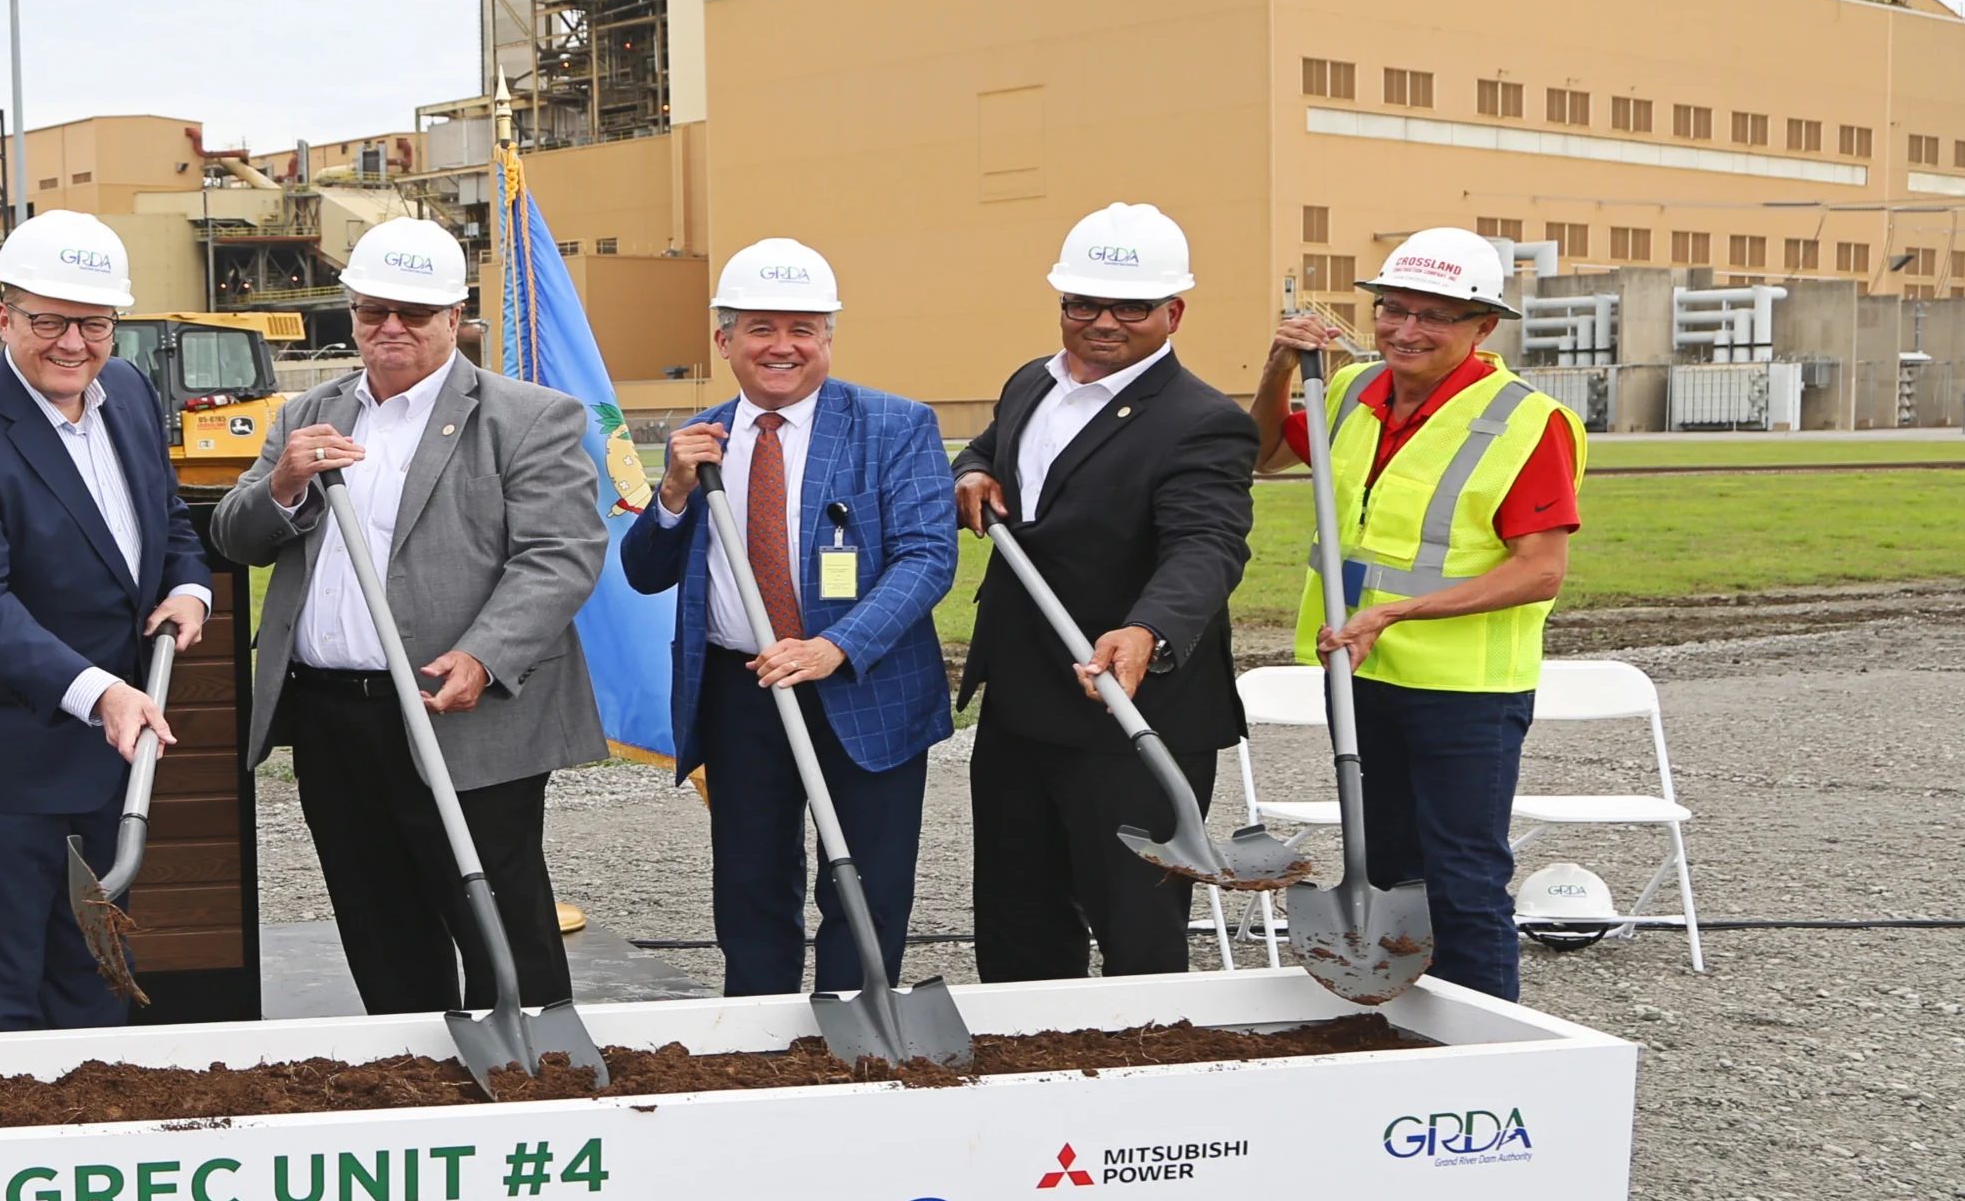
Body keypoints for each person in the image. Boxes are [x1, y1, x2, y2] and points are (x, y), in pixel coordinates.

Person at [213, 217, 608, 1014]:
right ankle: (413, 1068)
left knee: (496, 910)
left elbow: (560, 554)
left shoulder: (529, 417)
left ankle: (533, 1072)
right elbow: (233, 536)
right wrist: (283, 485)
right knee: (376, 916)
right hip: (331, 715)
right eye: (371, 312)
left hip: (457, 709)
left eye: (414, 314)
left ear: (454, 318)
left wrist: (485, 655)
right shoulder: (306, 416)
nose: (390, 329)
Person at [0, 210, 213, 1034]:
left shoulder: (128, 392)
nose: (74, 343)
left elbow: (165, 519)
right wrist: (102, 694)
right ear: (4, 317)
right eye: (49, 321)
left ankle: (95, 1140)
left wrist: (191, 588)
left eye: (95, 322)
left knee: (95, 970)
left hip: (102, 752)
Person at [617, 238, 957, 992]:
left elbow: (928, 557)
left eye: (802, 329)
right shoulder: (697, 442)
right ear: (725, 340)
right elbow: (643, 572)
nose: (782, 347)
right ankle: (759, 1038)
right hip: (744, 694)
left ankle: (857, 1029)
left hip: (866, 688)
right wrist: (671, 491)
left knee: (867, 883)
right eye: (761, 328)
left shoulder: (894, 426)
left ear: (828, 337)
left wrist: (835, 646)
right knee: (750, 882)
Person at [1250, 227, 1581, 1001]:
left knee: (1463, 878)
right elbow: (1263, 455)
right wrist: (1278, 368)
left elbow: (1539, 571)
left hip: (1468, 690)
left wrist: (1397, 614)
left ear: (1482, 327)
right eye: (1394, 310)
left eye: (1433, 316)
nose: (1405, 330)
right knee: (1390, 863)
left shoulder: (1526, 421)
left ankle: (1488, 1048)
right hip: (1363, 674)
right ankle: (1403, 1025)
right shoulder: (1354, 396)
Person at [948, 202, 1260, 979]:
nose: (1102, 322)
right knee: (1019, 915)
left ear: (1173, 312)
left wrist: (1148, 629)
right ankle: (1032, 1068)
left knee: (1136, 922)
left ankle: (1145, 1070)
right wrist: (972, 472)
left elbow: (1207, 544)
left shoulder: (1203, 421)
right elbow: (990, 449)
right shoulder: (1031, 382)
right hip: (1023, 697)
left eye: (1130, 307)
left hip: (1130, 706)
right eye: (1082, 303)